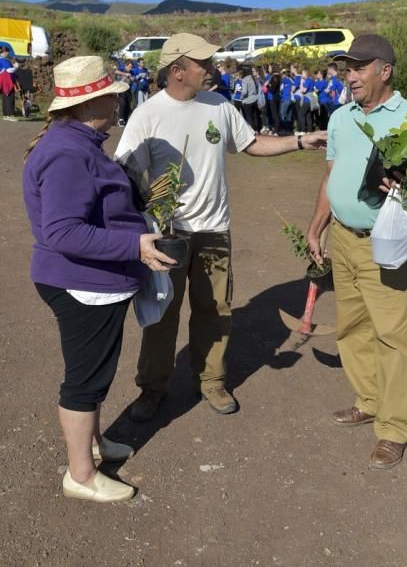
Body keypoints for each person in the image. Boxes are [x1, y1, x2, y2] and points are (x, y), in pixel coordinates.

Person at [114, 32, 326, 422]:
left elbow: (252, 144)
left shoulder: (219, 106)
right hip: (169, 234)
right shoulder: (148, 114)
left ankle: (212, 380)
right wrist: (143, 215)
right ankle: (152, 387)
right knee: (163, 313)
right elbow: (125, 172)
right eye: (202, 63)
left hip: (215, 230)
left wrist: (299, 140)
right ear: (177, 71)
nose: (211, 69)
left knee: (215, 309)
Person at [22, 56, 175, 503]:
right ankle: (81, 474)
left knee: (96, 372)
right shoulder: (68, 152)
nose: (118, 101)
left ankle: (91, 443)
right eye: (112, 95)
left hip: (92, 280)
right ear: (92, 102)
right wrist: (136, 246)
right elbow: (63, 231)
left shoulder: (78, 142)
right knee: (86, 380)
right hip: (82, 282)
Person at [306, 34, 407, 470]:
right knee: (351, 329)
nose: (350, 76)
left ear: (384, 70)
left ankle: (392, 429)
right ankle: (367, 400)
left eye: (359, 68)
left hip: (384, 243)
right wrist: (317, 226)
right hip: (344, 239)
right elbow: (332, 176)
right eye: (346, 68)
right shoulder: (341, 117)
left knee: (392, 337)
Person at [0, 46, 19, 121]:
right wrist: (16, 67)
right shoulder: (4, 60)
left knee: (5, 97)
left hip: (3, 81)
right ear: (5, 52)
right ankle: (9, 115)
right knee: (9, 97)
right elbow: (9, 70)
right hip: (7, 80)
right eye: (7, 52)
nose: (8, 53)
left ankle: (5, 115)